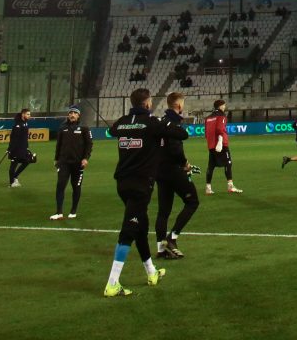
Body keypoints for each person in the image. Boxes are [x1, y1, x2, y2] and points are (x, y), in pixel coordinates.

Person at [103, 88, 174, 297]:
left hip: (122, 183)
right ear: (147, 103)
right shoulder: (151, 123)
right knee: (129, 230)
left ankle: (151, 272)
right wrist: (169, 120)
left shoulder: (122, 121)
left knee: (141, 227)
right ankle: (112, 283)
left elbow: (112, 130)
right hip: (140, 185)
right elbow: (180, 134)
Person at [155, 92, 200, 259]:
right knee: (192, 201)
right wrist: (184, 164)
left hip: (160, 171)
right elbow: (175, 149)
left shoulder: (160, 122)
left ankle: (161, 249)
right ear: (179, 105)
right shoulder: (172, 123)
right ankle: (172, 238)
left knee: (163, 211)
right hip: (173, 170)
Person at [50, 104, 93, 220]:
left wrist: (85, 158)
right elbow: (59, 144)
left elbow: (89, 144)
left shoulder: (84, 127)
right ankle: (59, 212)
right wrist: (56, 158)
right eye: (70, 113)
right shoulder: (62, 127)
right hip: (64, 162)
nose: (72, 115)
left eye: (74, 113)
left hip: (78, 163)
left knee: (76, 187)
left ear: (78, 115)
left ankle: (73, 210)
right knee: (60, 186)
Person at [203, 99, 241, 195]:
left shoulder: (208, 118)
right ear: (220, 106)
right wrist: (220, 141)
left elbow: (206, 133)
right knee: (228, 163)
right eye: (224, 105)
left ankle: (208, 187)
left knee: (211, 166)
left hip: (211, 145)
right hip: (221, 144)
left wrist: (211, 143)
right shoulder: (222, 116)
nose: (225, 107)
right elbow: (220, 129)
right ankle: (230, 186)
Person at [7, 108, 36, 188]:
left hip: (23, 148)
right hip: (16, 149)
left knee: (28, 161)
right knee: (13, 165)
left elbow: (24, 138)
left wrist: (27, 147)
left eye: (29, 114)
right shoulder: (18, 125)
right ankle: (12, 182)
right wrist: (10, 149)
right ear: (23, 114)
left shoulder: (25, 123)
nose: (29, 116)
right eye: (28, 114)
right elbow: (13, 138)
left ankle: (15, 176)